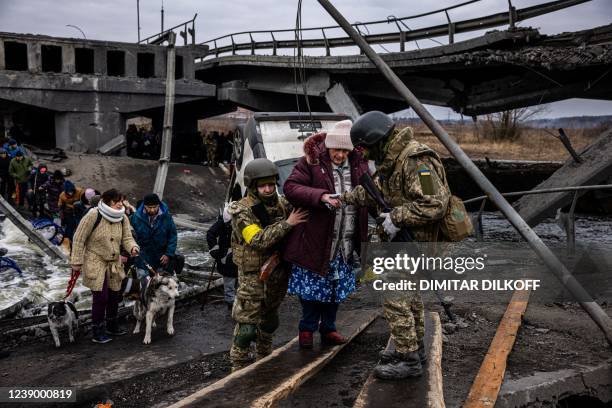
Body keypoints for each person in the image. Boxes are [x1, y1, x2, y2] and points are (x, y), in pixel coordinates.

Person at [341, 111, 450, 380]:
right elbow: (374, 193)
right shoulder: (392, 160)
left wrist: (397, 217)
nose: (363, 155)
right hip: (401, 243)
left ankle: (409, 359)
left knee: (394, 296)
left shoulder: (416, 160)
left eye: (364, 147)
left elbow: (435, 203)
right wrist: (341, 197)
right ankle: (414, 351)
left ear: (376, 140)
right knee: (409, 298)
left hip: (416, 242)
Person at [283, 120, 370, 348]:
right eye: (336, 150)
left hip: (345, 242)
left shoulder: (359, 165)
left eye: (344, 150)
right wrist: (320, 196)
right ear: (328, 147)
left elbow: (371, 191)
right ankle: (307, 329)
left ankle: (328, 328)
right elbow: (291, 188)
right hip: (316, 240)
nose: (340, 155)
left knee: (336, 288)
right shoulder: (310, 163)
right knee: (312, 289)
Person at [227, 158, 308, 371]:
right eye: (263, 185)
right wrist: (288, 223)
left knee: (270, 321)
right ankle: (238, 367)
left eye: (271, 184)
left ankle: (264, 359)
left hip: (277, 274)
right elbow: (257, 240)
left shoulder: (282, 204)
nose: (268, 189)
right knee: (246, 327)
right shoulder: (242, 211)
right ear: (253, 186)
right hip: (252, 277)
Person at [70, 189, 139, 343]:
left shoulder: (123, 217)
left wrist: (133, 248)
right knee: (101, 297)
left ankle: (112, 325)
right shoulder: (93, 215)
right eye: (116, 201)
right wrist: (76, 261)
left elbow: (127, 237)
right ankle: (97, 331)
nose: (120, 204)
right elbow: (79, 238)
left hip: (114, 261)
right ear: (107, 202)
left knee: (114, 295)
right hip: (96, 260)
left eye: (121, 200)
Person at [129, 193, 178, 279]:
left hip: (161, 257)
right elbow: (128, 236)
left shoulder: (167, 217)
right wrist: (132, 248)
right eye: (149, 207)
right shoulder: (135, 218)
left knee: (161, 282)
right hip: (142, 257)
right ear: (144, 206)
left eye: (154, 207)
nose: (152, 210)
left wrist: (168, 254)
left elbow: (172, 236)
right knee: (143, 282)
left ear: (158, 205)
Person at [206, 204, 238, 310]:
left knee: (239, 280)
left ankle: (239, 302)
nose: (230, 224)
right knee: (229, 280)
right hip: (226, 257)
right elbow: (210, 233)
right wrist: (215, 249)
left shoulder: (241, 220)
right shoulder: (221, 223)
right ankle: (231, 303)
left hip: (240, 254)